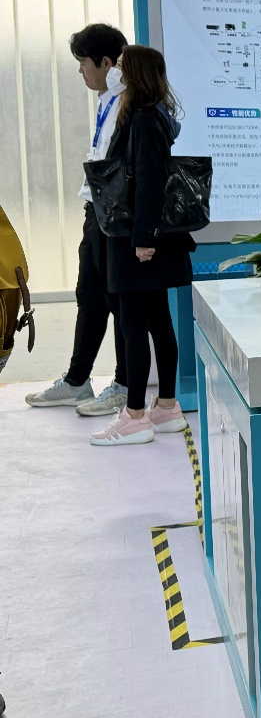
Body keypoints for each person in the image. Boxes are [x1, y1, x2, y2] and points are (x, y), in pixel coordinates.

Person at [89, 45, 194, 447]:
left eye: (121, 67)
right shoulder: (154, 117)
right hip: (146, 238)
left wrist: (143, 239)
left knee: (134, 325)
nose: (115, 72)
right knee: (157, 320)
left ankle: (134, 416)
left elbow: (149, 182)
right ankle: (165, 407)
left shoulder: (144, 120)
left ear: (134, 74)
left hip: (138, 240)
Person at [25, 24, 131, 416]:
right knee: (88, 294)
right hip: (95, 209)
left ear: (106, 63)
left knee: (119, 300)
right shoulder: (106, 99)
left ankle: (125, 384)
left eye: (83, 63)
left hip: (116, 214)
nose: (80, 71)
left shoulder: (128, 99)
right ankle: (76, 381)